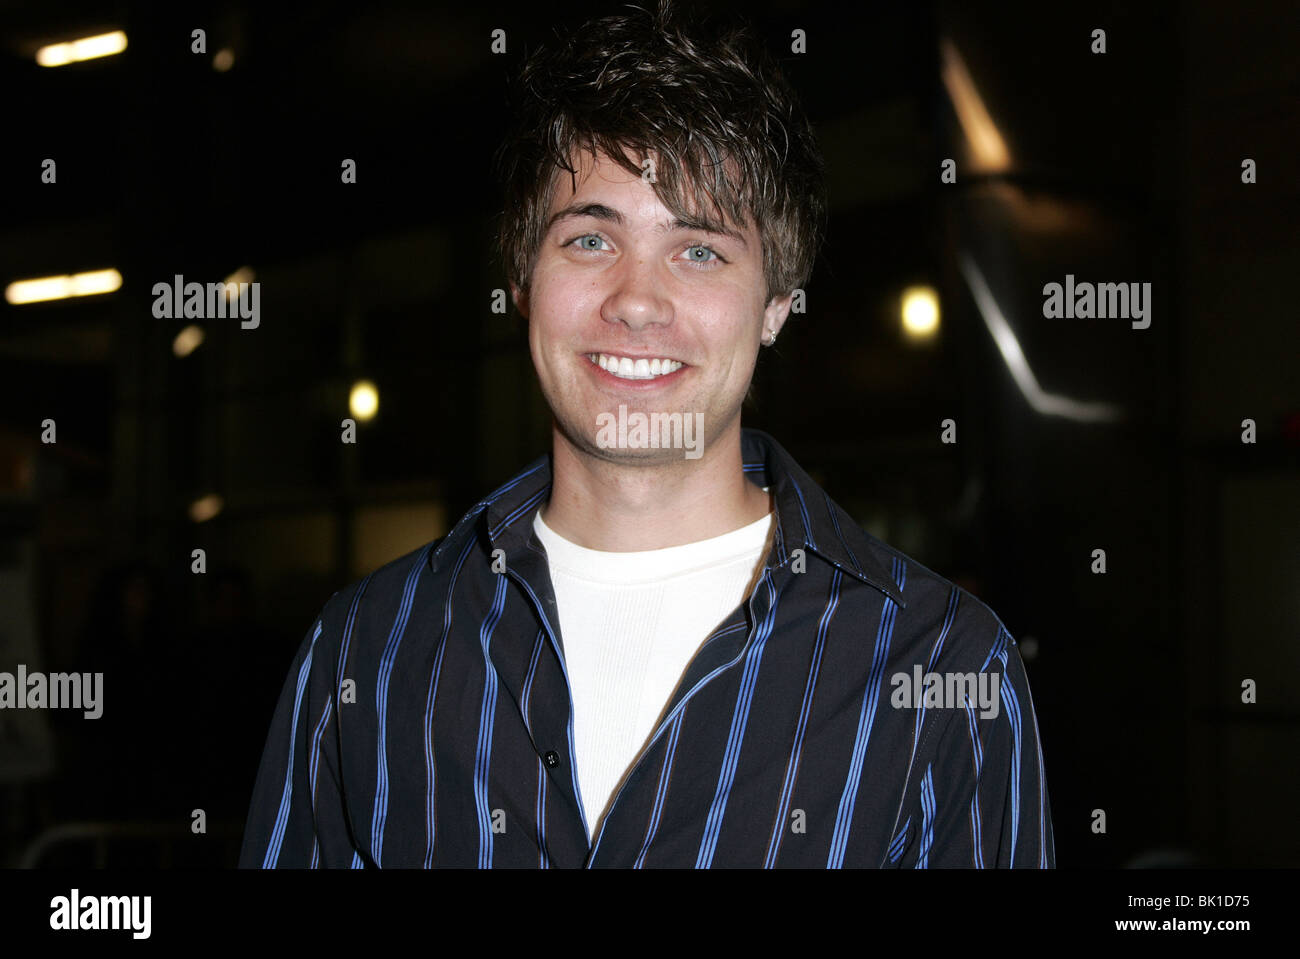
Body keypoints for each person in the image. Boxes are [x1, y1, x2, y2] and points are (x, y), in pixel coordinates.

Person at [240, 0, 1054, 869]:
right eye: (590, 238)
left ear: (776, 302)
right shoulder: (366, 648)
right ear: (522, 281)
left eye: (699, 249)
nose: (636, 298)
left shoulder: (948, 666)